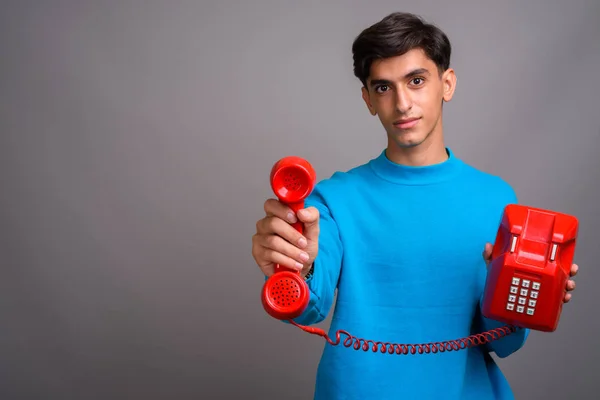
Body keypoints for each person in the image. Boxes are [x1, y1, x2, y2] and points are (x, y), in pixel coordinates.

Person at [251, 11, 578, 399]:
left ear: (447, 84)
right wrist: (295, 269)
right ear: (368, 99)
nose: (403, 103)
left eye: (416, 81)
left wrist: (522, 296)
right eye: (384, 88)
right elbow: (310, 308)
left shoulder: (497, 199)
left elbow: (505, 344)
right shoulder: (334, 198)